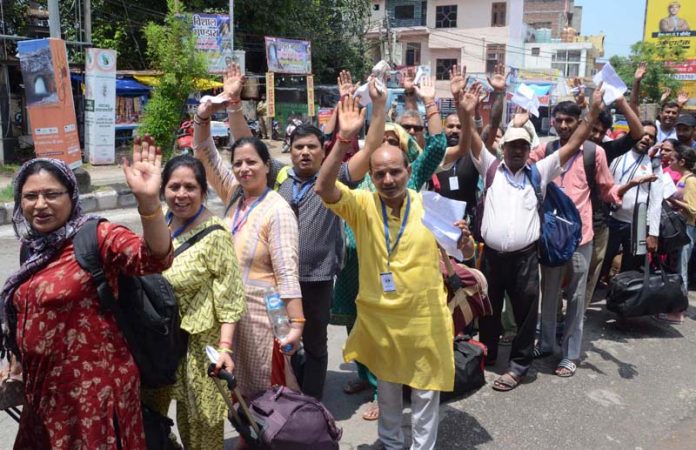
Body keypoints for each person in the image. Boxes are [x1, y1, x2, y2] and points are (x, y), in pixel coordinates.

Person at [0, 139, 173, 449]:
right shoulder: (33, 247)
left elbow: (155, 258)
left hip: (95, 397)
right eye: (30, 196)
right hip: (44, 396)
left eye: (52, 194)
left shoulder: (97, 236)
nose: (40, 204)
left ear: (71, 195)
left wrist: (148, 203)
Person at [316, 94, 455, 450]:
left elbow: (463, 251)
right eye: (380, 174)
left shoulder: (429, 205)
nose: (389, 179)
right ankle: (392, 444)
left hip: (425, 319)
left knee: (425, 390)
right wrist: (343, 140)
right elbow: (324, 188)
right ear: (372, 177)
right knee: (389, 387)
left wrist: (467, 243)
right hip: (383, 319)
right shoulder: (362, 204)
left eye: (396, 171)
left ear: (410, 171)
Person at [461, 81, 602, 391]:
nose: (517, 151)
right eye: (512, 146)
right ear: (504, 147)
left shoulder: (539, 172)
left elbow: (575, 141)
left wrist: (592, 111)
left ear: (528, 150)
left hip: (525, 258)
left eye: (522, 146)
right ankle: (488, 353)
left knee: (526, 316)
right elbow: (471, 138)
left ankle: (518, 366)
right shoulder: (491, 167)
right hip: (492, 258)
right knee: (488, 310)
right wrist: (466, 109)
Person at [193, 63, 304, 399]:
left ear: (266, 167)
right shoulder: (234, 196)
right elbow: (204, 153)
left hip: (263, 314)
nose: (243, 169)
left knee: (268, 394)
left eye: (251, 162)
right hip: (229, 312)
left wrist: (296, 325)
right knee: (235, 390)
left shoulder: (277, 209)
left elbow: (287, 273)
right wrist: (205, 115)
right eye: (238, 163)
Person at [273, 80, 383, 399]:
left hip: (317, 280)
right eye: (298, 147)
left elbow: (372, 148)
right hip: (278, 281)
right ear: (290, 151)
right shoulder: (278, 177)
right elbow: (244, 144)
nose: (305, 152)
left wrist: (378, 109)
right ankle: (286, 398)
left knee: (316, 344)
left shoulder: (338, 177)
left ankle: (311, 403)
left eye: (312, 147)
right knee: (283, 340)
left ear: (324, 150)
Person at [529, 99, 647, 377]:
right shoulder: (545, 149)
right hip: (550, 238)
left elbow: (607, 190)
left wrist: (625, 189)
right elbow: (520, 165)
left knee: (577, 297)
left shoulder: (595, 152)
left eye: (569, 120)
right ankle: (546, 343)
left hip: (581, 238)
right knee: (549, 294)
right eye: (558, 120)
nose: (562, 125)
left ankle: (570, 354)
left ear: (579, 121)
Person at [141, 155, 245, 450]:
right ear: (163, 191)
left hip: (199, 347)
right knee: (150, 418)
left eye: (190, 187)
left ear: (202, 191)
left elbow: (230, 297)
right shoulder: (161, 221)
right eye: (174, 187)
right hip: (160, 343)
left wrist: (225, 348)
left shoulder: (216, 235)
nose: (181, 195)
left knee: (200, 427)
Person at [601, 122, 663, 277]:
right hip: (610, 218)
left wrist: (653, 233)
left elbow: (656, 201)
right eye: (644, 134)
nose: (647, 138)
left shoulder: (654, 164)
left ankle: (624, 297)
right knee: (602, 261)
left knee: (630, 268)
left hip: (639, 224)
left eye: (651, 137)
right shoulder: (617, 153)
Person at [661, 144, 696, 323]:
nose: (670, 160)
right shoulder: (685, 178)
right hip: (684, 227)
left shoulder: (690, 181)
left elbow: (693, 209)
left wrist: (671, 199)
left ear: (682, 161)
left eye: (673, 158)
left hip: (688, 229)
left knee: (682, 269)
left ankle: (678, 311)